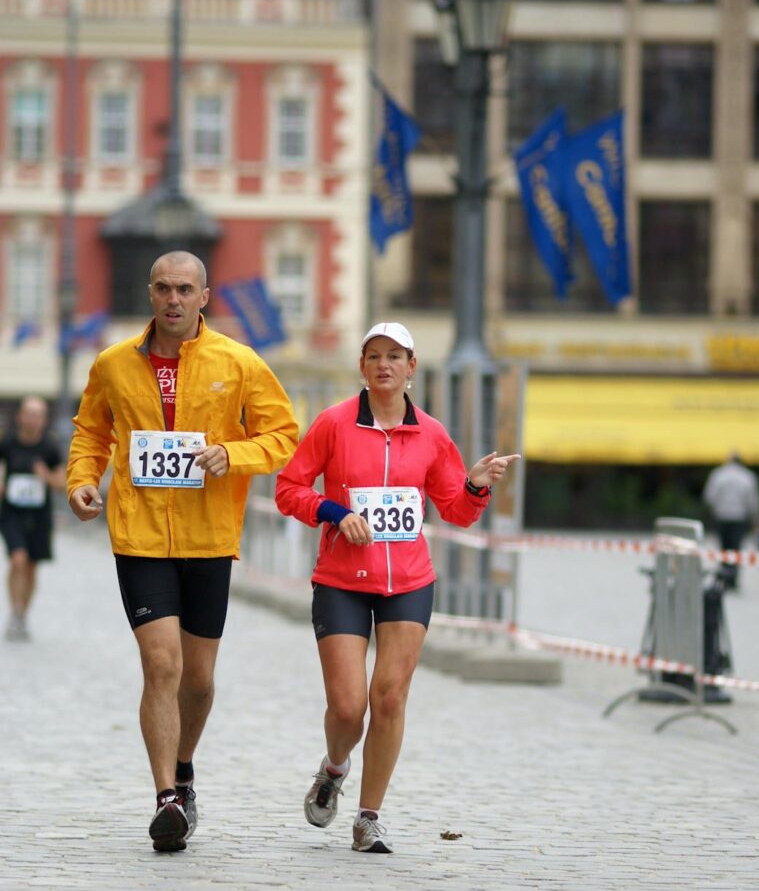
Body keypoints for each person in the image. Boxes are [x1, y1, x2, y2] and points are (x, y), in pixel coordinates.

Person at [67, 250, 298, 852]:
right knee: (161, 664)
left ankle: (185, 767)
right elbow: (91, 431)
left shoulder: (240, 362)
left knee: (197, 679)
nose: (174, 298)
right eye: (164, 288)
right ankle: (166, 797)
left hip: (209, 537)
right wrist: (81, 481)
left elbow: (283, 435)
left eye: (185, 289)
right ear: (151, 293)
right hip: (138, 535)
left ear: (204, 296)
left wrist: (234, 454)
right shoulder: (115, 363)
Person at [275, 321, 520, 854]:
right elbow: (289, 489)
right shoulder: (334, 424)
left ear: (412, 369)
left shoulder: (431, 434)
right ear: (362, 367)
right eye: (374, 356)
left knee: (388, 699)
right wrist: (335, 513)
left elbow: (456, 510)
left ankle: (369, 817)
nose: (384, 365)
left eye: (396, 356)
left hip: (408, 581)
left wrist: (475, 484)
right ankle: (334, 768)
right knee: (347, 708)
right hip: (341, 580)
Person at [0, 395, 65, 641]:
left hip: (39, 515)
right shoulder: (8, 443)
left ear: (44, 420)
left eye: (39, 414)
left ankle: (22, 615)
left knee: (31, 566)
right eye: (30, 413)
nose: (34, 419)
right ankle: (15, 612)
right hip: (12, 512)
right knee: (18, 560)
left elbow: (61, 484)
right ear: (20, 416)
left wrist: (45, 476)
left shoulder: (49, 447)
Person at [703, 452, 759, 590]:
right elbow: (752, 500)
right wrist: (755, 518)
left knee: (724, 548)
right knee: (736, 548)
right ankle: (733, 579)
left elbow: (709, 496)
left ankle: (724, 577)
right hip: (739, 516)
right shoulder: (747, 476)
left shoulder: (718, 474)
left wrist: (715, 509)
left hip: (722, 515)